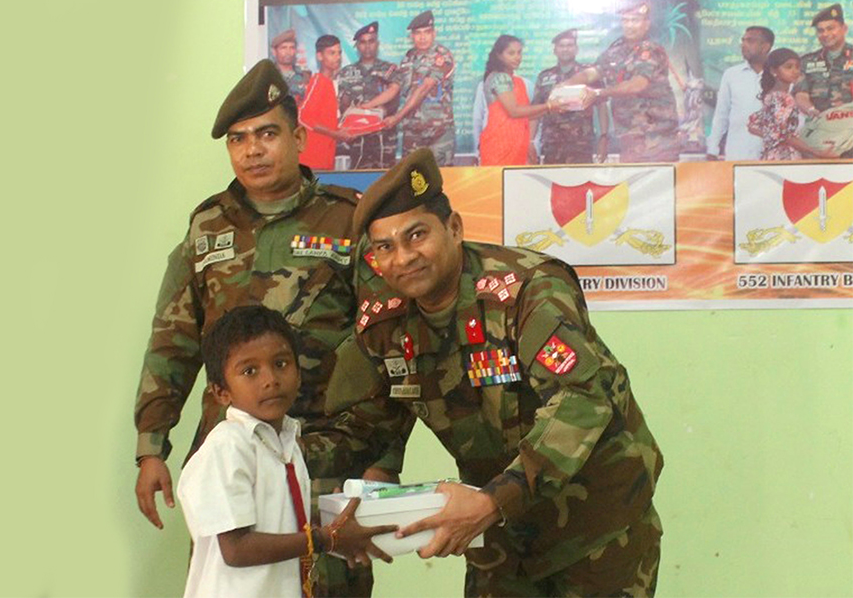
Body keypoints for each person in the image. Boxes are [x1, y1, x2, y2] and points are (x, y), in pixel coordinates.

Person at [325, 148, 664, 597]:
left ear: (455, 229)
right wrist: (373, 494)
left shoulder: (528, 289)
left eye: (416, 235)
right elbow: (378, 422)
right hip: (501, 536)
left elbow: (582, 400)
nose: (404, 258)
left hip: (598, 528)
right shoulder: (385, 322)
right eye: (385, 247)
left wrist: (492, 501)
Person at [133, 58, 396, 597]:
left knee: (331, 586)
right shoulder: (207, 225)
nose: (252, 150)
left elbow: (387, 344)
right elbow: (172, 340)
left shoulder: (347, 219)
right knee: (237, 582)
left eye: (267, 133)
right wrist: (150, 446)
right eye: (238, 139)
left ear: (298, 137)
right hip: (233, 456)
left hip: (328, 455)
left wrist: (382, 460)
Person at [177, 305, 396, 598]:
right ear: (221, 392)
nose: (270, 380)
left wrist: (333, 528)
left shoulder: (285, 442)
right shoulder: (227, 447)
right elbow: (236, 549)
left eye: (281, 364)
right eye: (250, 371)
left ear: (299, 372)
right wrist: (323, 539)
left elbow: (281, 526)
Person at [565, 1, 681, 163]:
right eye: (626, 21)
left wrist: (598, 93)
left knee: (661, 187)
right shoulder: (615, 51)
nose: (629, 25)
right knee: (632, 186)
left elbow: (637, 85)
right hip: (630, 138)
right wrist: (566, 84)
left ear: (646, 24)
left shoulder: (652, 50)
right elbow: (591, 73)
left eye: (635, 20)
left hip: (658, 138)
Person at [360, 10, 456, 165]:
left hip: (439, 132)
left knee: (441, 180)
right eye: (418, 33)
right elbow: (394, 88)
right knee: (412, 181)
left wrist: (397, 117)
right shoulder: (408, 58)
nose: (422, 37)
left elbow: (424, 89)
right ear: (411, 36)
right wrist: (367, 106)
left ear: (434, 33)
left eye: (427, 32)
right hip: (412, 132)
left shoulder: (442, 56)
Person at [532, 28, 611, 164]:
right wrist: (530, 141)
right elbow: (536, 112)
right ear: (555, 51)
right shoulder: (545, 77)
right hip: (552, 145)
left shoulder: (589, 74)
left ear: (576, 49)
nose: (565, 49)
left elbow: (602, 106)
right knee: (553, 184)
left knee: (581, 184)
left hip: (581, 145)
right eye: (561, 46)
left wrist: (603, 137)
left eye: (569, 45)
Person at [748, 48, 838, 161]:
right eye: (788, 67)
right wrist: (816, 152)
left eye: (797, 67)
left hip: (771, 155)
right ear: (773, 71)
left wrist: (772, 136)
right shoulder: (783, 98)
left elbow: (752, 126)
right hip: (786, 157)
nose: (795, 71)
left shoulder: (771, 95)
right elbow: (785, 136)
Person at [477, 34, 551, 166]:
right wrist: (549, 106)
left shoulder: (518, 81)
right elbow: (514, 111)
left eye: (519, 53)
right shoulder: (499, 78)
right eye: (511, 53)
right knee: (497, 185)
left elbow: (526, 115)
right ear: (499, 55)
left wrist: (553, 108)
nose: (517, 57)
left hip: (518, 144)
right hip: (499, 145)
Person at [337, 22, 399, 170]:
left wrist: (377, 110)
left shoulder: (389, 69)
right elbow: (343, 103)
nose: (367, 46)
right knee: (359, 183)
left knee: (387, 182)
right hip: (358, 139)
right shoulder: (346, 72)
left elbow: (395, 99)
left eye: (371, 41)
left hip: (384, 138)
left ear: (377, 44)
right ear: (357, 46)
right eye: (363, 42)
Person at [706, 26, 774, 161]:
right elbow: (721, 114)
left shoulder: (778, 75)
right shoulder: (732, 75)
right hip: (738, 154)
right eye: (743, 41)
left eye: (750, 41)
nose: (743, 45)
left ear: (765, 46)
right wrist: (712, 149)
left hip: (772, 154)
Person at [299, 35, 353, 171]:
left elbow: (326, 122)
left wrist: (342, 132)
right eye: (332, 53)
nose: (337, 57)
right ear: (319, 56)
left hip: (326, 159)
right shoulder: (318, 82)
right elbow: (303, 118)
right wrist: (337, 135)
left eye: (339, 52)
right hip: (311, 160)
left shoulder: (330, 83)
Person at [795, 4, 852, 118]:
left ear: (844, 29)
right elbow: (801, 94)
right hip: (819, 124)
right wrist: (811, 110)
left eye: (830, 28)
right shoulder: (807, 61)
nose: (825, 34)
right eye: (820, 30)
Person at [271, 29, 312, 106]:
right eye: (283, 48)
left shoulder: (305, 76)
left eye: (292, 48)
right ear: (274, 52)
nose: (288, 52)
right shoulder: (268, 75)